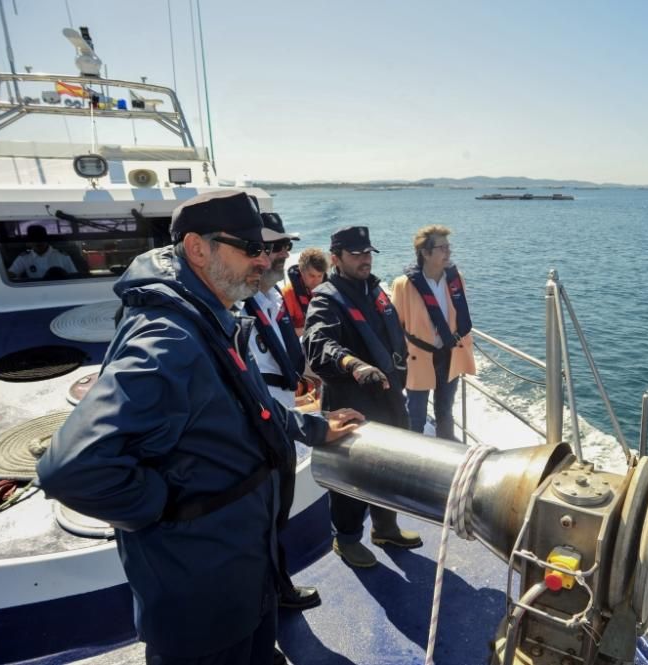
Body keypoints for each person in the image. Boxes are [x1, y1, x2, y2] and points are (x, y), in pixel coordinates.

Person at [37, 190, 363, 665]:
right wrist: (167, 507)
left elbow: (247, 409)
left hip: (245, 572)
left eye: (266, 248)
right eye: (250, 248)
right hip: (201, 594)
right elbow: (71, 469)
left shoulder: (211, 315)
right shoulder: (169, 339)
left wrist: (313, 428)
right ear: (197, 248)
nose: (264, 259)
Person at [303, 225, 422, 568]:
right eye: (356, 254)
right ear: (335, 259)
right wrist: (352, 363)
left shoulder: (374, 289)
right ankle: (347, 538)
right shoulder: (326, 298)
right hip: (351, 403)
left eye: (368, 253)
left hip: (388, 398)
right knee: (350, 476)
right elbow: (317, 344)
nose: (364, 260)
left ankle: (385, 527)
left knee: (389, 468)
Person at [241, 212, 322, 614]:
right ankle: (267, 602)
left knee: (276, 516)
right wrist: (314, 428)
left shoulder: (269, 298)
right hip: (264, 426)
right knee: (261, 520)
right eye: (273, 247)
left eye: (284, 246)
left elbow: (284, 353)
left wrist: (309, 374)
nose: (282, 254)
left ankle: (276, 589)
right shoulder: (236, 309)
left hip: (283, 417)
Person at [391, 225, 476, 441]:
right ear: (425, 253)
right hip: (419, 358)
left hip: (450, 354)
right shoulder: (404, 285)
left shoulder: (457, 279)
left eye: (449, 246)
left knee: (445, 412)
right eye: (442, 247)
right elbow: (394, 326)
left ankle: (447, 457)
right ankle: (413, 460)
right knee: (416, 416)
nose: (449, 252)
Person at [282, 247, 328, 337]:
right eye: (312, 276)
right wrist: (315, 330)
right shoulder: (288, 294)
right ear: (301, 271)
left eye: (320, 276)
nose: (317, 281)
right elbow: (285, 331)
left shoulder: (327, 290)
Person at [7, 225, 77, 279]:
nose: (38, 243)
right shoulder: (24, 258)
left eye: (41, 239)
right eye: (34, 240)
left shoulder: (62, 256)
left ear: (47, 240)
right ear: (30, 242)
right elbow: (11, 274)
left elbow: (74, 276)